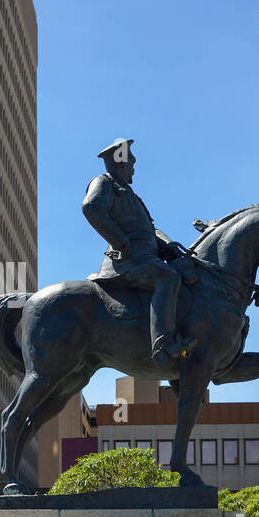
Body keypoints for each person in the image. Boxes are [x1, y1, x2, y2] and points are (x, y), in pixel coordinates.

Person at [83, 137, 197, 374]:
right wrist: (121, 242)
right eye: (132, 162)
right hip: (126, 261)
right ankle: (163, 346)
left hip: (145, 259)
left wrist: (169, 247)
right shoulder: (104, 182)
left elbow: (149, 231)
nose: (134, 168)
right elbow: (91, 207)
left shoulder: (131, 194)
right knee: (168, 278)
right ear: (121, 162)